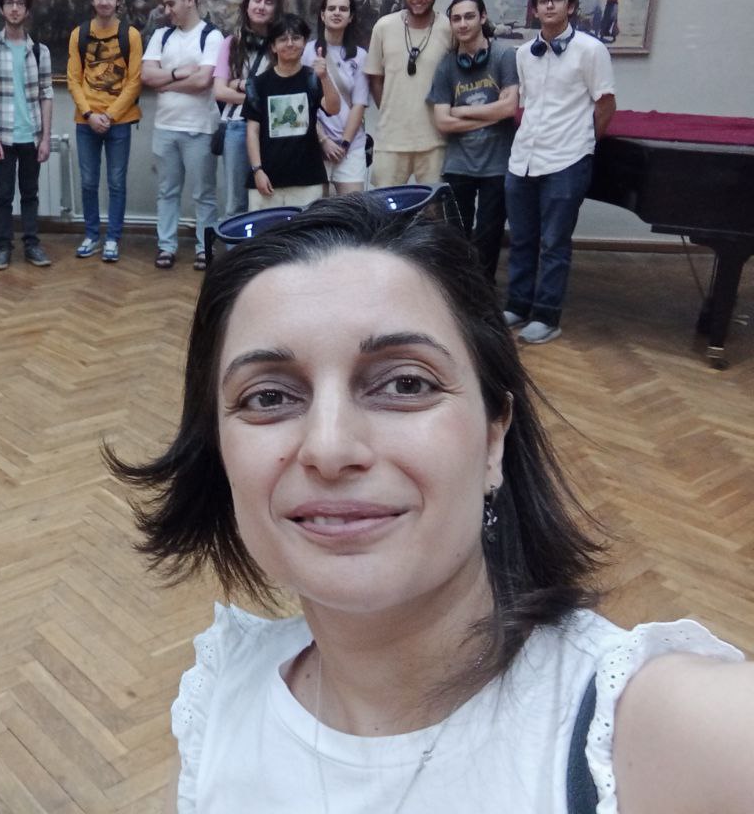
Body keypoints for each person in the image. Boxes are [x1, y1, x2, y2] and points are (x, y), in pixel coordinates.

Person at [108, 189, 749, 813]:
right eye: (269, 397)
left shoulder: (659, 735)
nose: (329, 448)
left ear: (495, 436)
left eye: (406, 384)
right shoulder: (219, 701)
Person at [506, 0, 616, 345]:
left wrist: (584, 143)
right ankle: (517, 305)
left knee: (554, 243)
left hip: (567, 159)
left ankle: (546, 316)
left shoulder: (591, 50)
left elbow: (606, 104)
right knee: (521, 238)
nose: (549, 5)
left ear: (570, 6)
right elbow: (527, 104)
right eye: (543, 0)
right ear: (535, 9)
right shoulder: (524, 53)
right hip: (523, 158)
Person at [427, 0, 518, 282]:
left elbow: (509, 108)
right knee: (455, 237)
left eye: (469, 16)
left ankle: (483, 293)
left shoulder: (504, 55)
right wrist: (491, 115)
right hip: (458, 164)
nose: (463, 24)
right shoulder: (446, 65)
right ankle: (460, 293)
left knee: (489, 238)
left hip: (497, 165)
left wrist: (461, 111)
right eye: (456, 19)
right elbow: (442, 122)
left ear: (483, 17)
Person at [142, 0, 224, 270]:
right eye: (164, 5)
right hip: (165, 128)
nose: (167, 11)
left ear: (190, 0)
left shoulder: (211, 36)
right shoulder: (161, 36)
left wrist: (166, 83)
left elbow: (203, 81)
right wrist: (179, 73)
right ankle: (166, 246)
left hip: (200, 129)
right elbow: (146, 76)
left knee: (204, 194)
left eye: (171, 4)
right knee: (167, 191)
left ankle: (205, 248)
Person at [0, 0, 54, 271]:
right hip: (3, 137)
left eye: (20, 3)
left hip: (31, 136)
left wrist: (45, 138)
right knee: (4, 196)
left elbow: (46, 95)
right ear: (1, 8)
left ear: (27, 9)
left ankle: (32, 244)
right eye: (9, 3)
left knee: (30, 194)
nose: (14, 8)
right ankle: (2, 247)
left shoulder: (40, 51)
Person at [67, 0, 143, 263]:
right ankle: (91, 235)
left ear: (118, 0)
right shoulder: (79, 34)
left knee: (116, 183)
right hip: (86, 121)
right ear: (91, 0)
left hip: (119, 122)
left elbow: (134, 82)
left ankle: (112, 238)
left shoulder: (130, 35)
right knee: (88, 182)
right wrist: (89, 114)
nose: (104, 1)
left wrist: (109, 116)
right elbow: (74, 79)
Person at [364, 0, 452, 188]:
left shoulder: (449, 28)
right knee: (385, 207)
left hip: (436, 142)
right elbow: (375, 79)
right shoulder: (383, 26)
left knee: (436, 208)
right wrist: (392, 112)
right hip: (391, 140)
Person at [241, 14, 340, 211]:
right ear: (273, 46)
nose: (290, 44)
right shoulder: (258, 84)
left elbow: (333, 108)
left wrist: (324, 77)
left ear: (304, 43)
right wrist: (257, 170)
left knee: (307, 230)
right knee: (266, 231)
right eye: (282, 39)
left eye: (296, 38)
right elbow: (252, 131)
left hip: (308, 178)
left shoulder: (313, 79)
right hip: (267, 179)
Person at [213, 0, 282, 219]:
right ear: (247, 4)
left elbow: (283, 90)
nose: (261, 6)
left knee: (271, 198)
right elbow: (220, 91)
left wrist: (239, 85)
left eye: (268, 2)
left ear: (276, 8)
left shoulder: (282, 43)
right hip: (238, 127)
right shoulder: (231, 43)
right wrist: (254, 96)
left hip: (273, 129)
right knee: (236, 204)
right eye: (257, 0)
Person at [303, 0, 369, 195]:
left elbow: (359, 104)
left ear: (351, 17)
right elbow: (303, 104)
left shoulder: (360, 56)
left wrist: (344, 143)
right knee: (316, 208)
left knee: (354, 207)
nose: (337, 13)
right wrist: (323, 141)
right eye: (331, 8)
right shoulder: (307, 52)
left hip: (350, 145)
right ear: (322, 15)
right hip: (315, 143)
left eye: (343, 9)